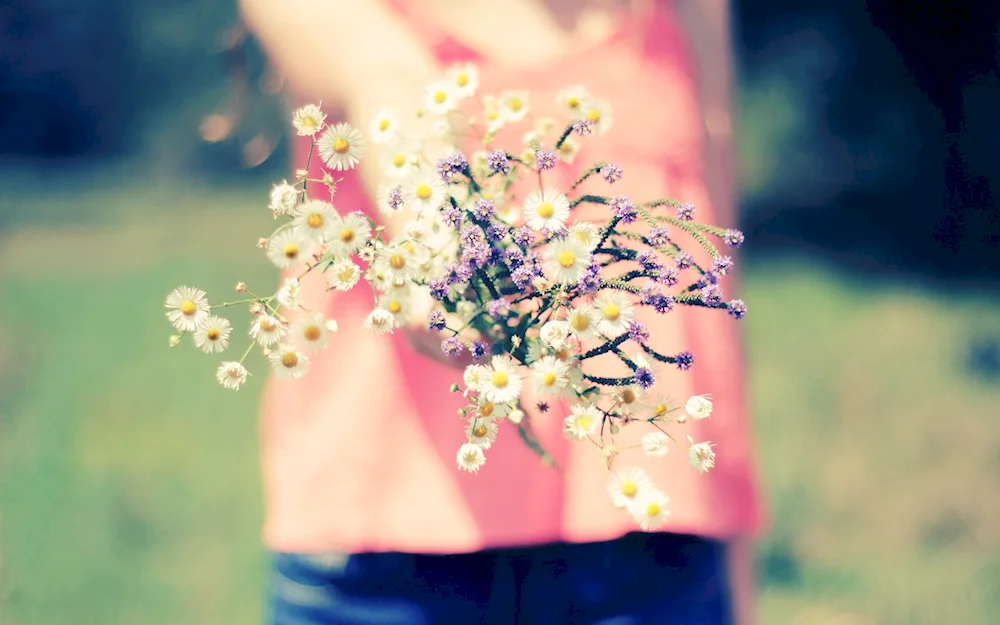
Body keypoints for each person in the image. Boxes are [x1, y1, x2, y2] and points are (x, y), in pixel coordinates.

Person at [238, 0, 763, 623]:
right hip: (380, 563)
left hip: (652, 551)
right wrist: (432, 243)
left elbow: (714, 269)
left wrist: (732, 521)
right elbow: (385, 77)